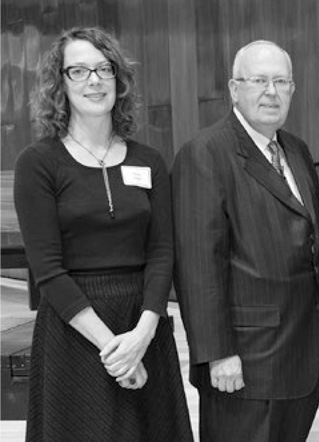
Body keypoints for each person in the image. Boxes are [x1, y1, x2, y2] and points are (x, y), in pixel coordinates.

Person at [14, 26, 193, 441]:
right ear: (59, 83)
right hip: (75, 329)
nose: (94, 80)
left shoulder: (149, 160)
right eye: (78, 71)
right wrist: (115, 348)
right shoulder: (38, 162)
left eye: (104, 68)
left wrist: (144, 332)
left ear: (119, 79)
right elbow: (47, 270)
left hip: (144, 324)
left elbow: (163, 251)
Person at [172, 40, 319, 442]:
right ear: (234, 88)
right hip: (245, 362)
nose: (272, 91)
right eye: (259, 80)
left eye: (281, 81)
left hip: (301, 356)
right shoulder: (205, 154)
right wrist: (217, 353)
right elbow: (198, 264)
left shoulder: (296, 150)